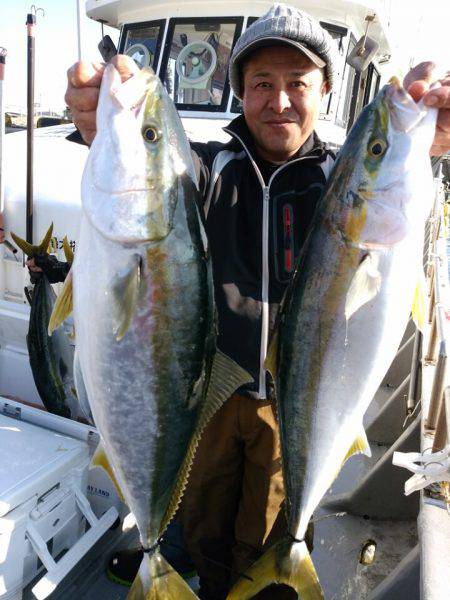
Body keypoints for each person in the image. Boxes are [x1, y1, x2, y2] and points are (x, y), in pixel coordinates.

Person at [64, 4, 450, 599]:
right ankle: (183, 571)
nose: (279, 102)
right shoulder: (208, 168)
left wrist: (429, 142)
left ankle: (272, 569)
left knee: (267, 531)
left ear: (323, 90)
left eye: (298, 84)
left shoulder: (336, 180)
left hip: (290, 404)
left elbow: (394, 187)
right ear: (239, 91)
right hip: (208, 399)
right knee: (199, 524)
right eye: (262, 85)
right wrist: (98, 125)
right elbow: (151, 180)